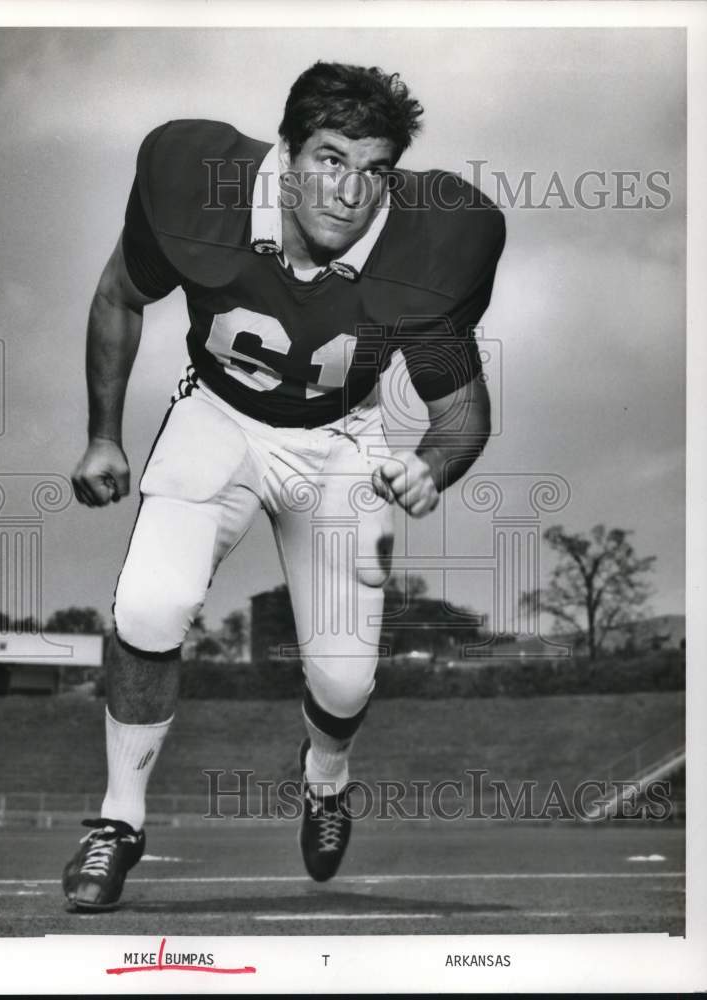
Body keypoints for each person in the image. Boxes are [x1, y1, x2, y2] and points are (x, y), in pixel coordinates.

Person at [63, 61, 505, 911]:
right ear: (286, 152)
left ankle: (326, 781)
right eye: (331, 159)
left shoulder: (429, 245)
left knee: (342, 682)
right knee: (148, 606)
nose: (349, 192)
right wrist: (101, 436)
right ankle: (118, 822)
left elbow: (462, 412)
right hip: (220, 416)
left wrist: (430, 466)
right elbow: (120, 295)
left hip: (346, 439)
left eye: (374, 171)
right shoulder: (196, 186)